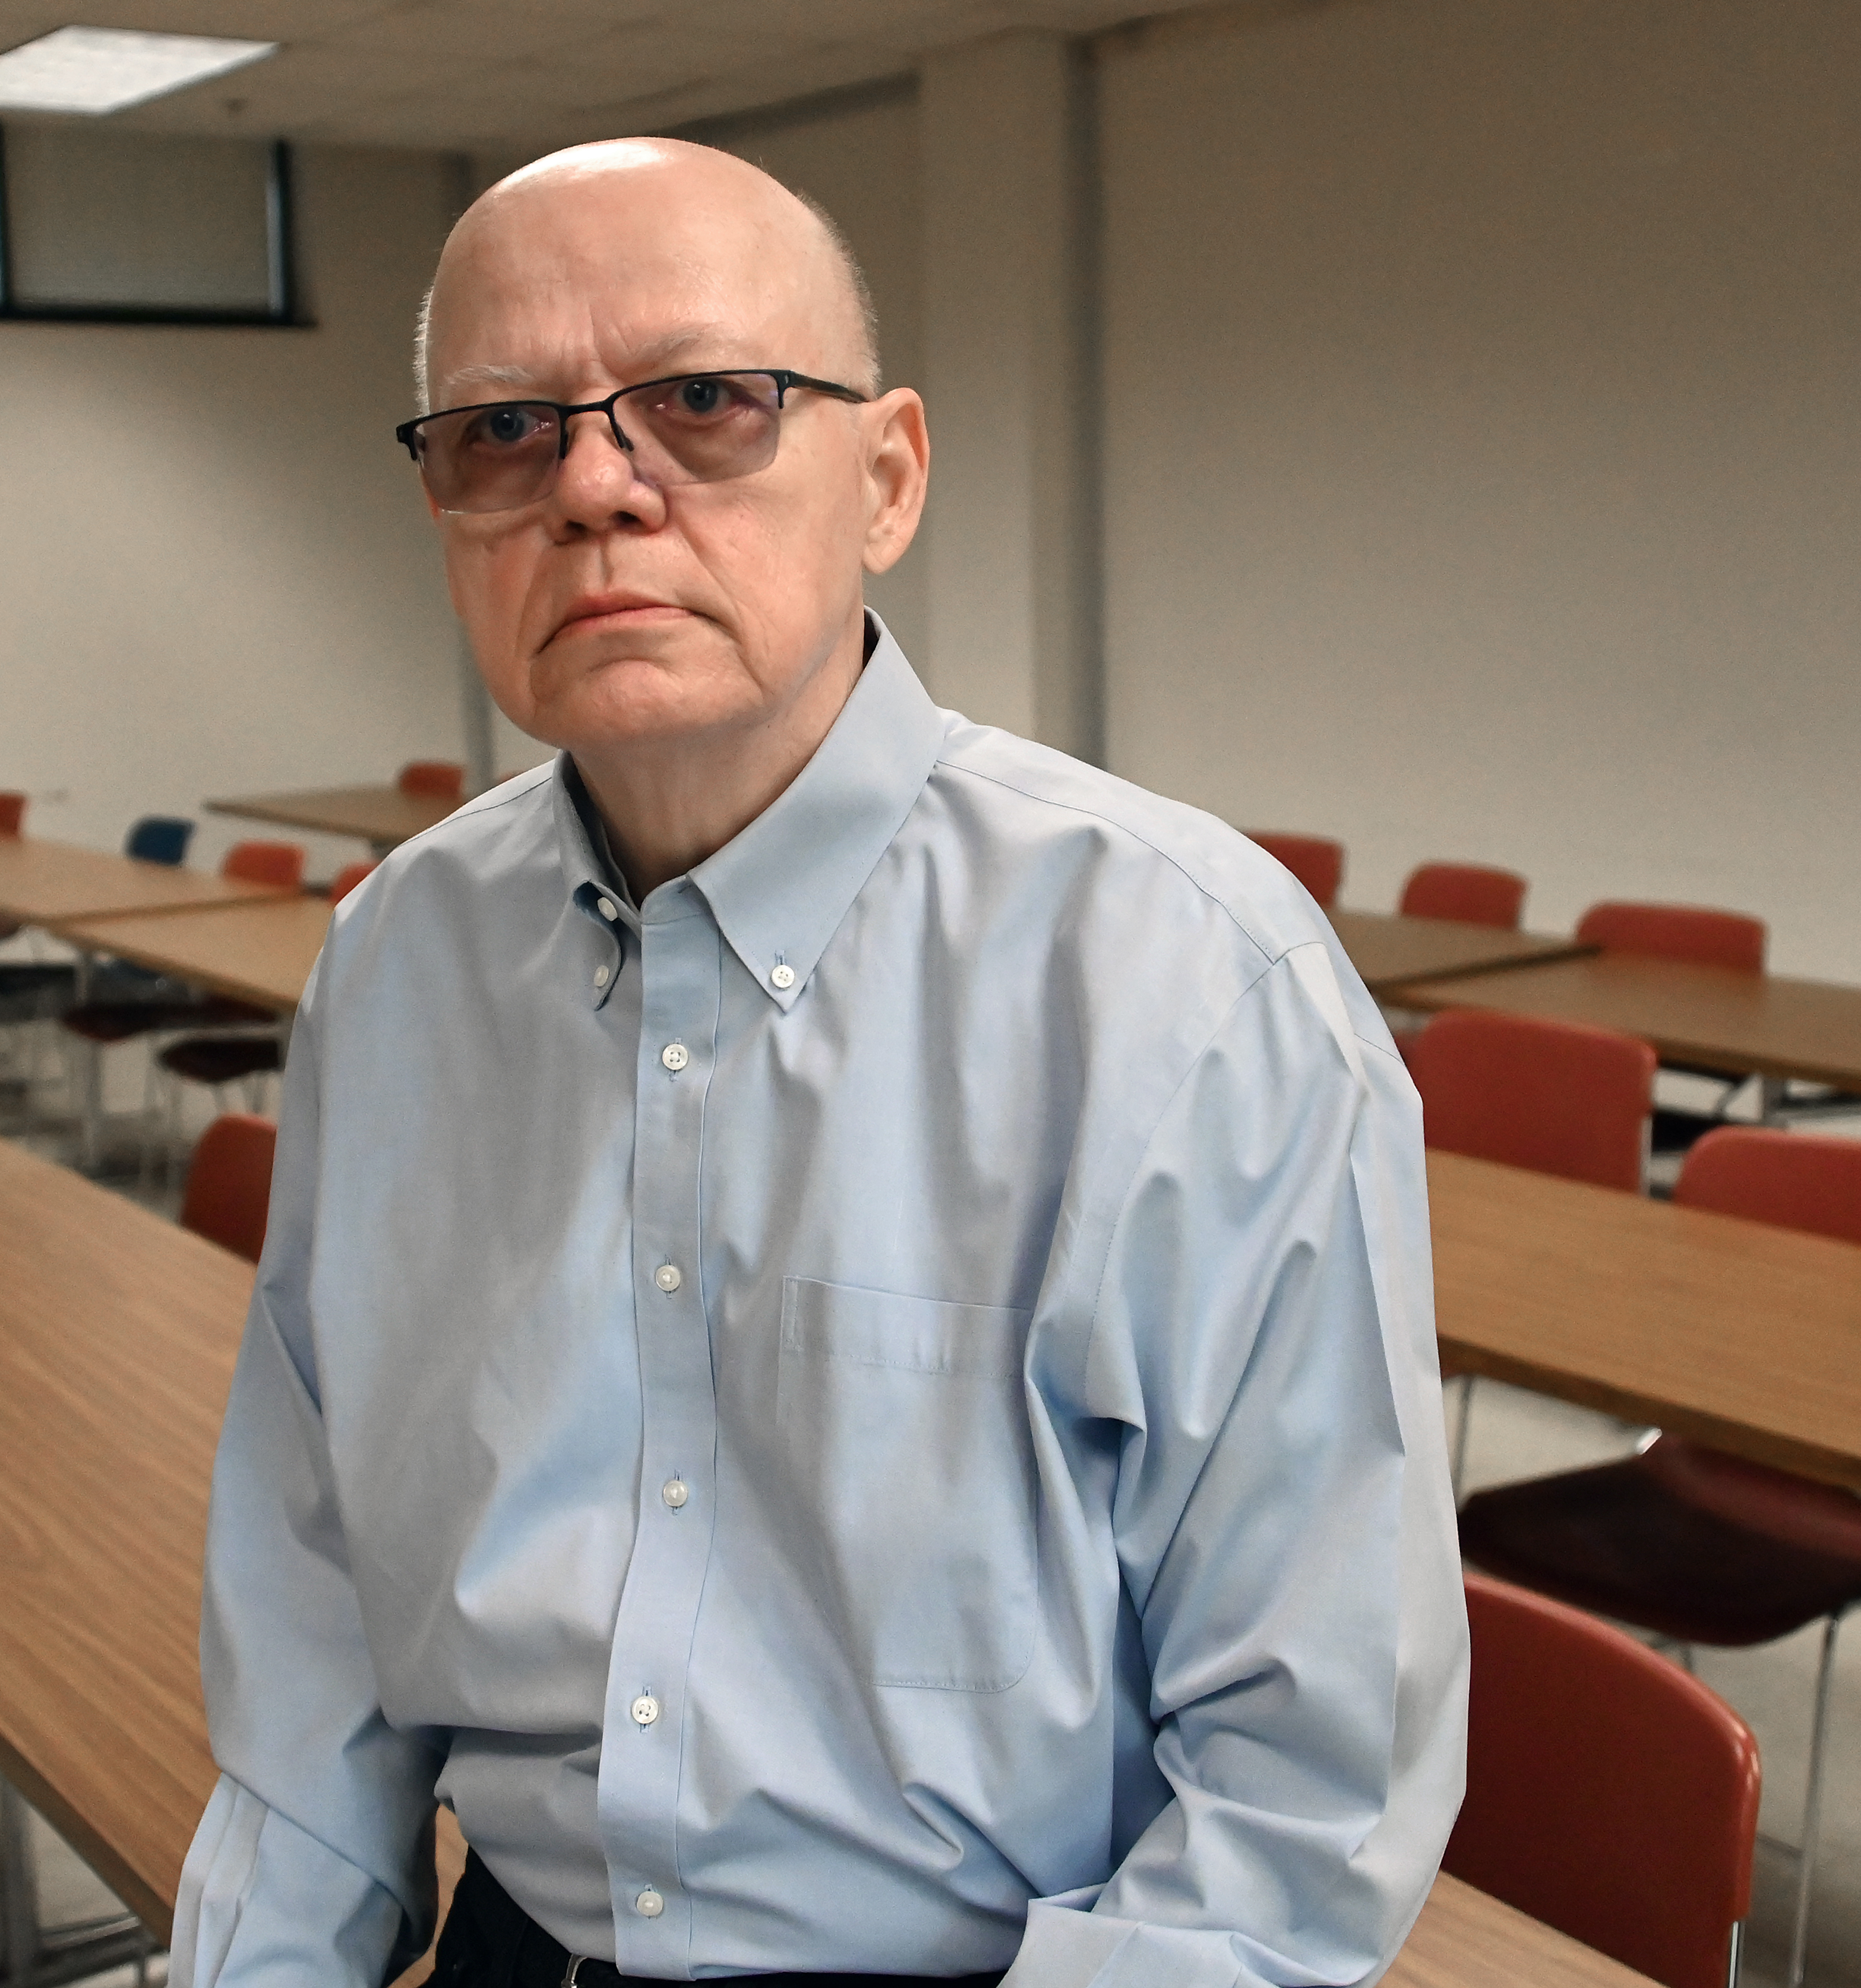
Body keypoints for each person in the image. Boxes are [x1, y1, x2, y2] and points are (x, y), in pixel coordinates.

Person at [168, 138, 1464, 1988]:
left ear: (887, 476)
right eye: (502, 432)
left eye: (703, 403)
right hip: (524, 1945)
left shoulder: (1189, 983)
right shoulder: (395, 966)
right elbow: (315, 1644)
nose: (596, 489)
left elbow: (1298, 1795)